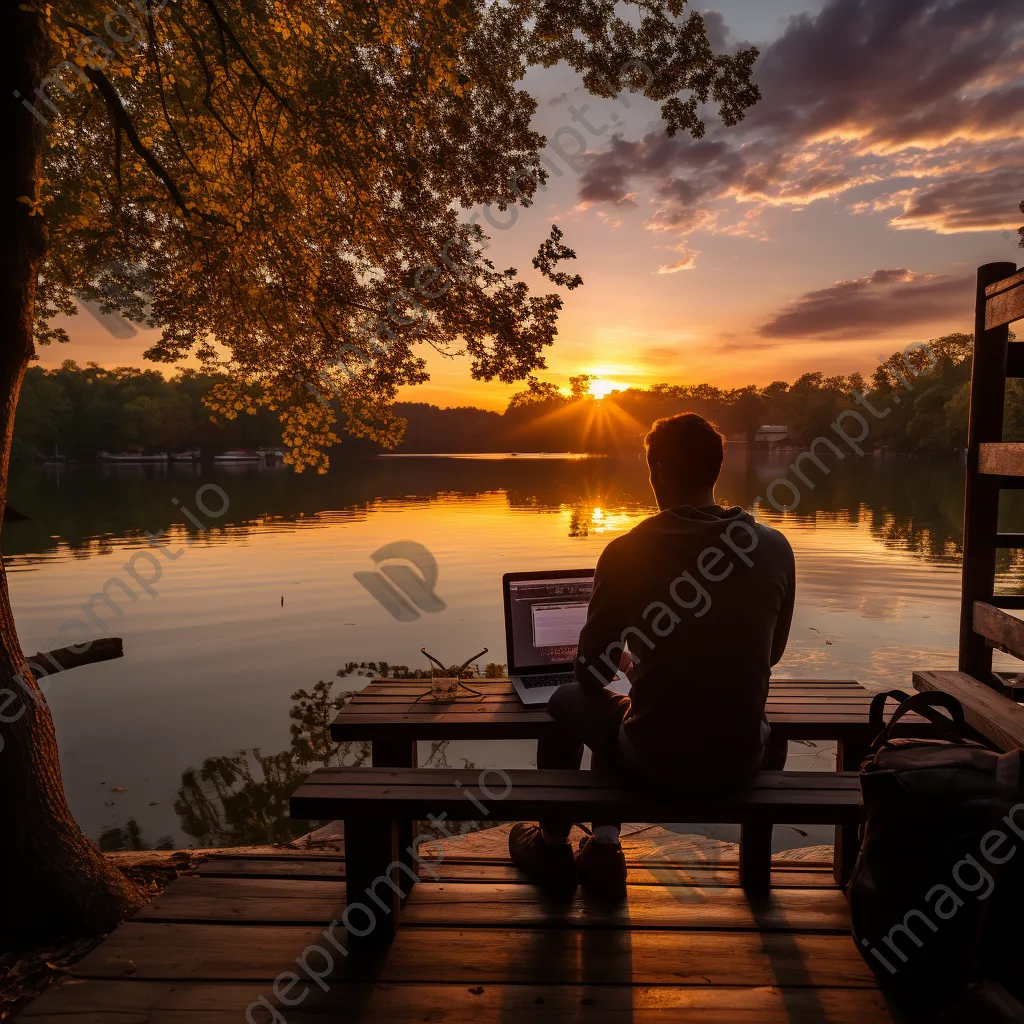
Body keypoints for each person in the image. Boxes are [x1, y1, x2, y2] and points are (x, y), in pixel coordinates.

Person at [509, 412, 796, 899]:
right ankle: (603, 849)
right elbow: (770, 655)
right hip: (743, 757)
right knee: (627, 715)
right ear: (716, 469)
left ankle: (555, 846)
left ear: (656, 471)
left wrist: (624, 660)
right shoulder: (773, 546)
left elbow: (592, 673)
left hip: (654, 758)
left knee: (567, 701)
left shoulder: (628, 551)